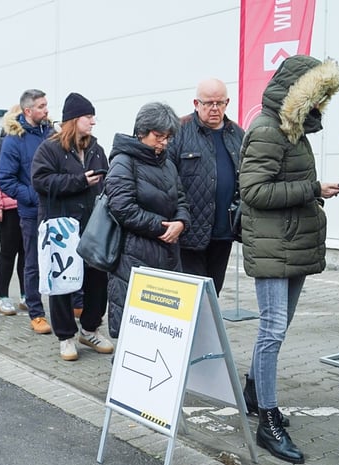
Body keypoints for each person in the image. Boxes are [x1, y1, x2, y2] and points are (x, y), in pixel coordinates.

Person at [239, 55, 339, 465]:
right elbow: (254, 192)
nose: (321, 104)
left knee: (276, 330)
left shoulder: (293, 130)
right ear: (298, 94)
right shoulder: (269, 130)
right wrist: (312, 188)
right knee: (272, 333)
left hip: (291, 244)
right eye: (317, 95)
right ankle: (267, 421)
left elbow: (283, 184)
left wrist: (315, 190)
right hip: (273, 247)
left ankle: (254, 392)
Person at [32, 93, 113, 361]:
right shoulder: (50, 149)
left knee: (97, 279)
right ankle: (65, 336)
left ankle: (89, 329)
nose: (92, 122)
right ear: (74, 119)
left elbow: (108, 180)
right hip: (62, 227)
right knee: (62, 282)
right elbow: (41, 182)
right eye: (88, 117)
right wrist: (78, 181)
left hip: (93, 226)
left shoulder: (96, 149)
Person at [105, 102, 190, 339]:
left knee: (163, 327)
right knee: (133, 329)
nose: (163, 142)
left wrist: (181, 222)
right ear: (141, 132)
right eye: (158, 136)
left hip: (169, 254)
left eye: (168, 137)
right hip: (133, 255)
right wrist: (163, 227)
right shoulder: (123, 161)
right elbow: (122, 208)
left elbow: (181, 199)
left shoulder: (168, 164)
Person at [167, 78, 244, 295]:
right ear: (196, 103)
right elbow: (167, 179)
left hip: (224, 230)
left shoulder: (237, 134)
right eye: (208, 103)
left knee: (213, 291)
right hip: (189, 231)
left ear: (227, 103)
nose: (214, 108)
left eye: (220, 103)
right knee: (191, 293)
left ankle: (206, 329)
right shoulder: (179, 131)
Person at [0, 89, 54, 334]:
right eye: (41, 106)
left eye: (46, 105)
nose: (46, 110)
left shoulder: (52, 134)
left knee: (59, 260)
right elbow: (6, 181)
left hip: (57, 209)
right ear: (28, 111)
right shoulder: (14, 140)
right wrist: (33, 197)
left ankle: (72, 305)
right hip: (31, 213)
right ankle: (36, 312)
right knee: (32, 263)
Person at [0, 106, 25, 315]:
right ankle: (3, 297)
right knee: (8, 253)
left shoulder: (30, 143)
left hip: (27, 207)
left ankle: (26, 295)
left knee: (27, 255)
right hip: (7, 210)